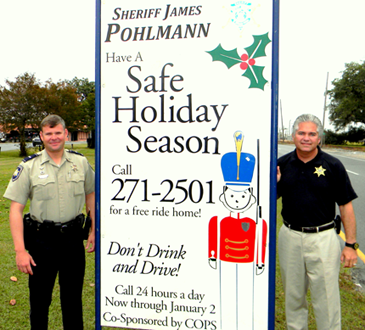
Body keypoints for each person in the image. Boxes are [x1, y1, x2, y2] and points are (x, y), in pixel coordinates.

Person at [4, 114, 95, 330]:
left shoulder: (80, 162)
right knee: (40, 302)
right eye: (48, 133)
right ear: (41, 136)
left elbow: (91, 194)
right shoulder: (29, 166)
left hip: (73, 241)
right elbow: (15, 210)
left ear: (65, 134)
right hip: (41, 243)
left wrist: (92, 229)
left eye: (57, 133)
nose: (54, 137)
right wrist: (20, 251)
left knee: (73, 302)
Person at [277, 114, 358, 330]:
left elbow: (345, 206)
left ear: (319, 138)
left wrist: (350, 245)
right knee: (293, 297)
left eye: (312, 134)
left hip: (323, 238)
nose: (306, 138)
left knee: (327, 300)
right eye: (301, 133)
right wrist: (272, 184)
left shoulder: (333, 165)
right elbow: (266, 200)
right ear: (294, 135)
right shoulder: (281, 165)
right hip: (290, 236)